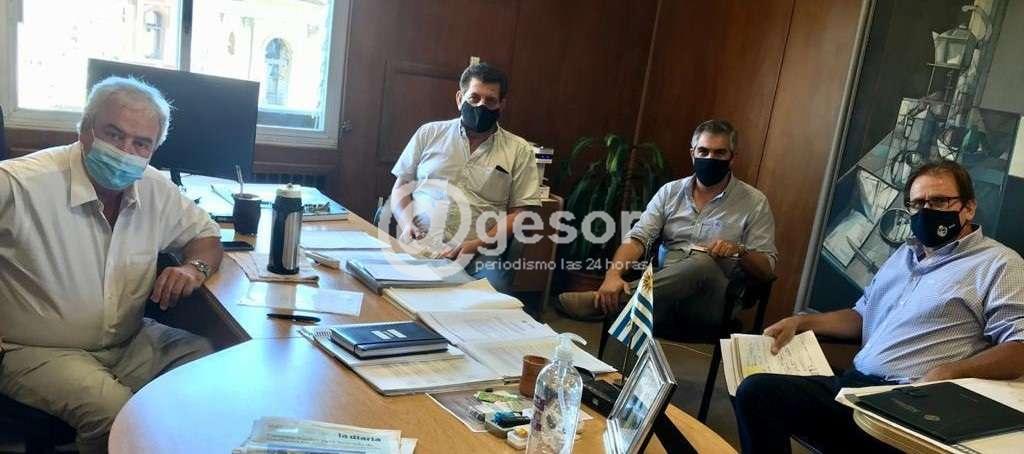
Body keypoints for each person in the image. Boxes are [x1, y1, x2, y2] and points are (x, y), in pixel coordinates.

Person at [734, 160, 1024, 453]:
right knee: (755, 391)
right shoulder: (903, 255)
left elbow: (1019, 348)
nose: (926, 211)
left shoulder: (999, 264)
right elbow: (863, 314)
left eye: (939, 201)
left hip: (910, 402)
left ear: (969, 208)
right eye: (917, 204)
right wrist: (800, 322)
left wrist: (950, 372)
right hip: (855, 388)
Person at [0, 76, 223, 453]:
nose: (125, 151)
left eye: (141, 143)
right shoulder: (21, 183)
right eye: (114, 134)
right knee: (116, 414)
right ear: (85, 130)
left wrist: (193, 269)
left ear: (153, 149)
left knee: (205, 364)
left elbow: (207, 237)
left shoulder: (154, 187)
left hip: (128, 341)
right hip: (37, 349)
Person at [557, 120, 777, 335]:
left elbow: (766, 270)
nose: (710, 158)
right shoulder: (670, 192)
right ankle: (618, 299)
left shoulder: (754, 202)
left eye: (719, 153)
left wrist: (740, 251)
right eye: (703, 151)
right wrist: (613, 275)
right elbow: (638, 238)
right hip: (664, 295)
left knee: (702, 263)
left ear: (732, 157)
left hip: (711, 304)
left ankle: (607, 301)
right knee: (648, 298)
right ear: (693, 154)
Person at [389, 62, 540, 292]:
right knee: (393, 291)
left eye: (490, 100)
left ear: (502, 105)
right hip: (420, 243)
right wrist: (406, 222)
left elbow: (519, 214)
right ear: (460, 99)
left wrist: (477, 244)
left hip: (479, 253)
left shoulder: (519, 150)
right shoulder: (429, 133)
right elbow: (401, 186)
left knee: (494, 294)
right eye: (474, 98)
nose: (481, 106)